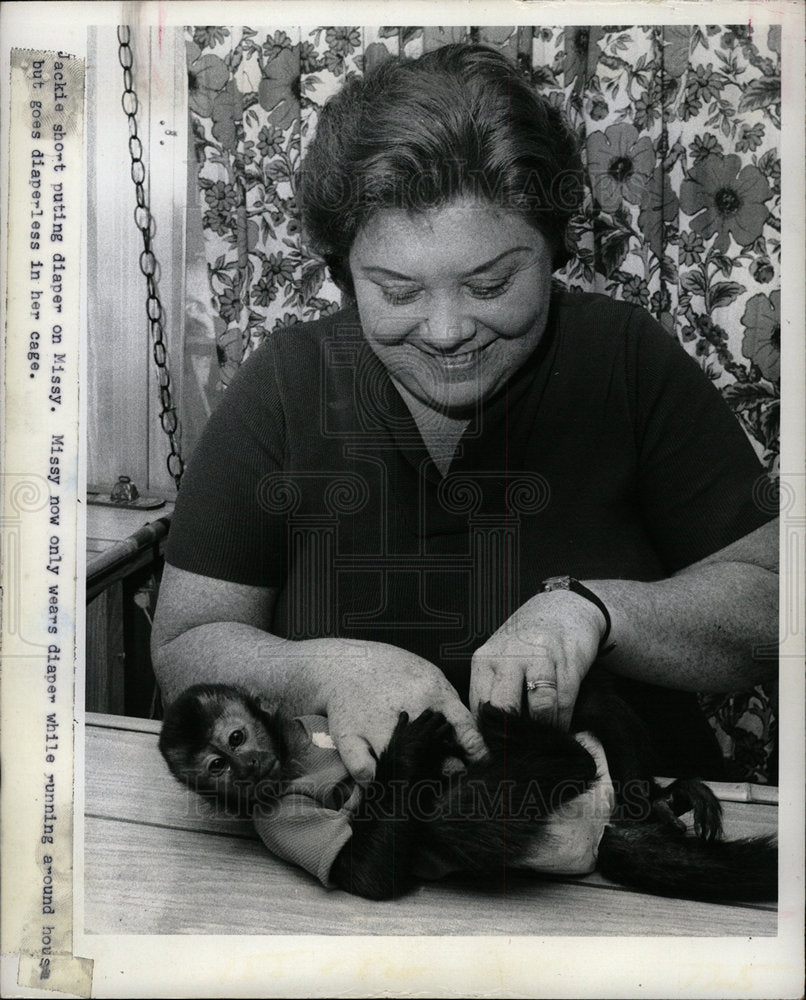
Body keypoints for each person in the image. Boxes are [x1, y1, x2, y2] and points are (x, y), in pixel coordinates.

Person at [152, 44, 777, 807]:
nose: (447, 331)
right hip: (361, 843)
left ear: (554, 250)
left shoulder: (624, 360)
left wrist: (598, 611)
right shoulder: (285, 385)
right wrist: (324, 671)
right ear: (344, 274)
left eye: (490, 283)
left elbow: (773, 604)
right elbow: (185, 645)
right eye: (397, 290)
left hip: (628, 833)